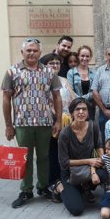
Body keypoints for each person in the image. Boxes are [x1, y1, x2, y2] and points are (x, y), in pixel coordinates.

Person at [2, 38, 63, 208]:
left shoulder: (49, 72)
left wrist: (58, 120)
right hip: (23, 124)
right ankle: (26, 190)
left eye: (35, 50)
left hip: (45, 124)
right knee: (25, 158)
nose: (31, 53)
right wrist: (8, 125)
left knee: (44, 158)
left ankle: (43, 188)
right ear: (22, 52)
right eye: (28, 50)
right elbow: (6, 98)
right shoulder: (12, 71)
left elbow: (57, 97)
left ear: (40, 53)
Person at [57, 98, 106, 216]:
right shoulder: (65, 133)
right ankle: (59, 186)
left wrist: (103, 160)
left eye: (84, 109)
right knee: (76, 209)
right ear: (72, 113)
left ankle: (85, 187)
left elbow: (99, 146)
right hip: (69, 173)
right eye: (77, 109)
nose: (81, 112)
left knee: (105, 173)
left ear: (88, 112)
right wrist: (89, 161)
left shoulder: (93, 127)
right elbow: (64, 163)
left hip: (88, 169)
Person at [41, 53, 76, 201]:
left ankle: (67, 181)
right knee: (53, 153)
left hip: (68, 121)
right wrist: (59, 116)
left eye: (57, 63)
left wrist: (75, 112)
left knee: (67, 152)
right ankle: (53, 183)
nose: (55, 66)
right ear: (45, 66)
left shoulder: (64, 80)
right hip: (52, 121)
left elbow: (73, 97)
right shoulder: (43, 81)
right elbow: (46, 102)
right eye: (51, 63)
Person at [67, 45, 96, 120]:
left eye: (87, 56)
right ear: (78, 57)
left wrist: (83, 99)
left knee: (89, 129)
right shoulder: (71, 72)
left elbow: (94, 91)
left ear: (90, 57)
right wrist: (81, 100)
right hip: (76, 107)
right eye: (82, 56)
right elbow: (70, 91)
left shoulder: (94, 73)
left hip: (90, 108)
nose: (85, 58)